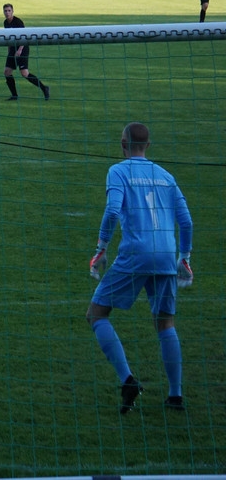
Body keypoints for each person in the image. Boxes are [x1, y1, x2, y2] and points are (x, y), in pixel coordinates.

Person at [86, 122, 193, 413]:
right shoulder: (165, 176)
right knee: (165, 323)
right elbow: (186, 222)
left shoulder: (118, 171)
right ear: (148, 145)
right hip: (165, 255)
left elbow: (111, 210)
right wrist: (184, 257)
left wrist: (101, 249)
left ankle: (128, 379)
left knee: (96, 314)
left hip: (135, 254)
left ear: (123, 144)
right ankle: (175, 396)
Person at [2, 4, 49, 101]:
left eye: (9, 10)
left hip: (23, 47)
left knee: (24, 73)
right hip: (13, 48)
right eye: (5, 11)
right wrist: (9, 51)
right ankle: (14, 96)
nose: (7, 13)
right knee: (7, 72)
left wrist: (20, 50)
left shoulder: (18, 22)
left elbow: (24, 36)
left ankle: (44, 88)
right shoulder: (5, 23)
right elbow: (8, 38)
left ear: (13, 11)